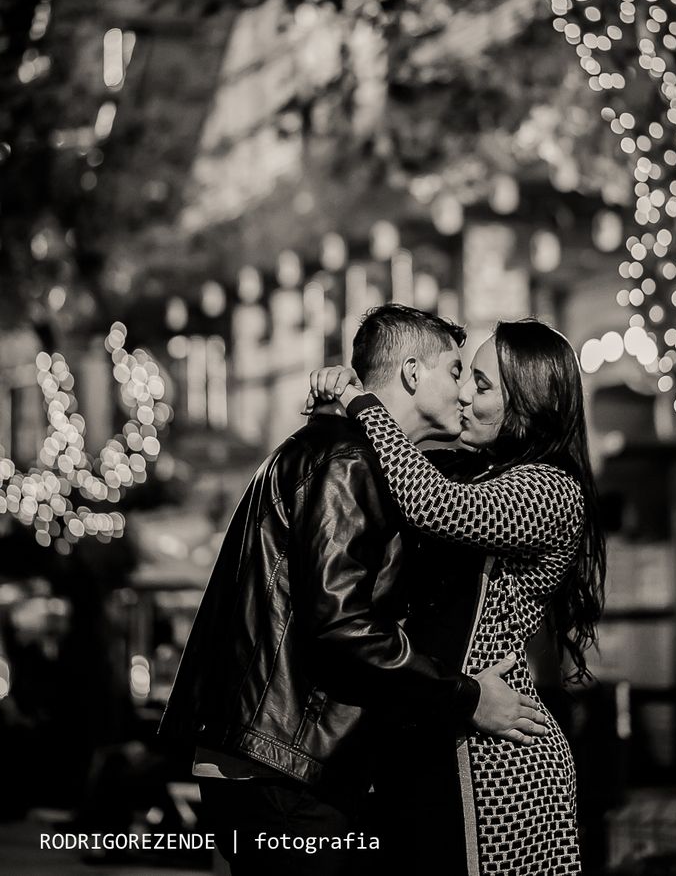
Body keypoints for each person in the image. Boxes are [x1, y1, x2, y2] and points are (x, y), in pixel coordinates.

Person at [159, 306, 547, 876]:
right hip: (284, 767)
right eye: (457, 370)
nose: (466, 391)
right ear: (413, 374)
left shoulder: (350, 451)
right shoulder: (348, 459)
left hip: (276, 759)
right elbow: (342, 625)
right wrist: (466, 697)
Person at [308, 318, 606, 876]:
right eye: (466, 376)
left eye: (483, 385)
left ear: (529, 403)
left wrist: (358, 399)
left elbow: (435, 504)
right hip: (449, 733)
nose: (464, 393)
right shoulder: (486, 470)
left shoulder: (549, 490)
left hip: (501, 763)